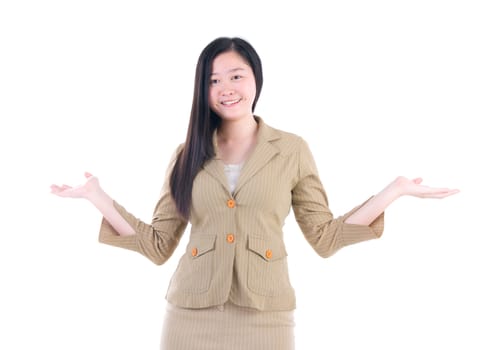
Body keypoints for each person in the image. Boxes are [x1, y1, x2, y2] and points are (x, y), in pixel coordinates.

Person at [50, 37, 459, 350]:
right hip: (190, 315)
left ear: (256, 79)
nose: (225, 87)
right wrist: (96, 196)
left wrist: (394, 191)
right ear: (202, 90)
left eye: (236, 75)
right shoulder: (186, 154)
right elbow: (157, 245)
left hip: (267, 314)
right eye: (213, 80)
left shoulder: (292, 149)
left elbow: (325, 237)